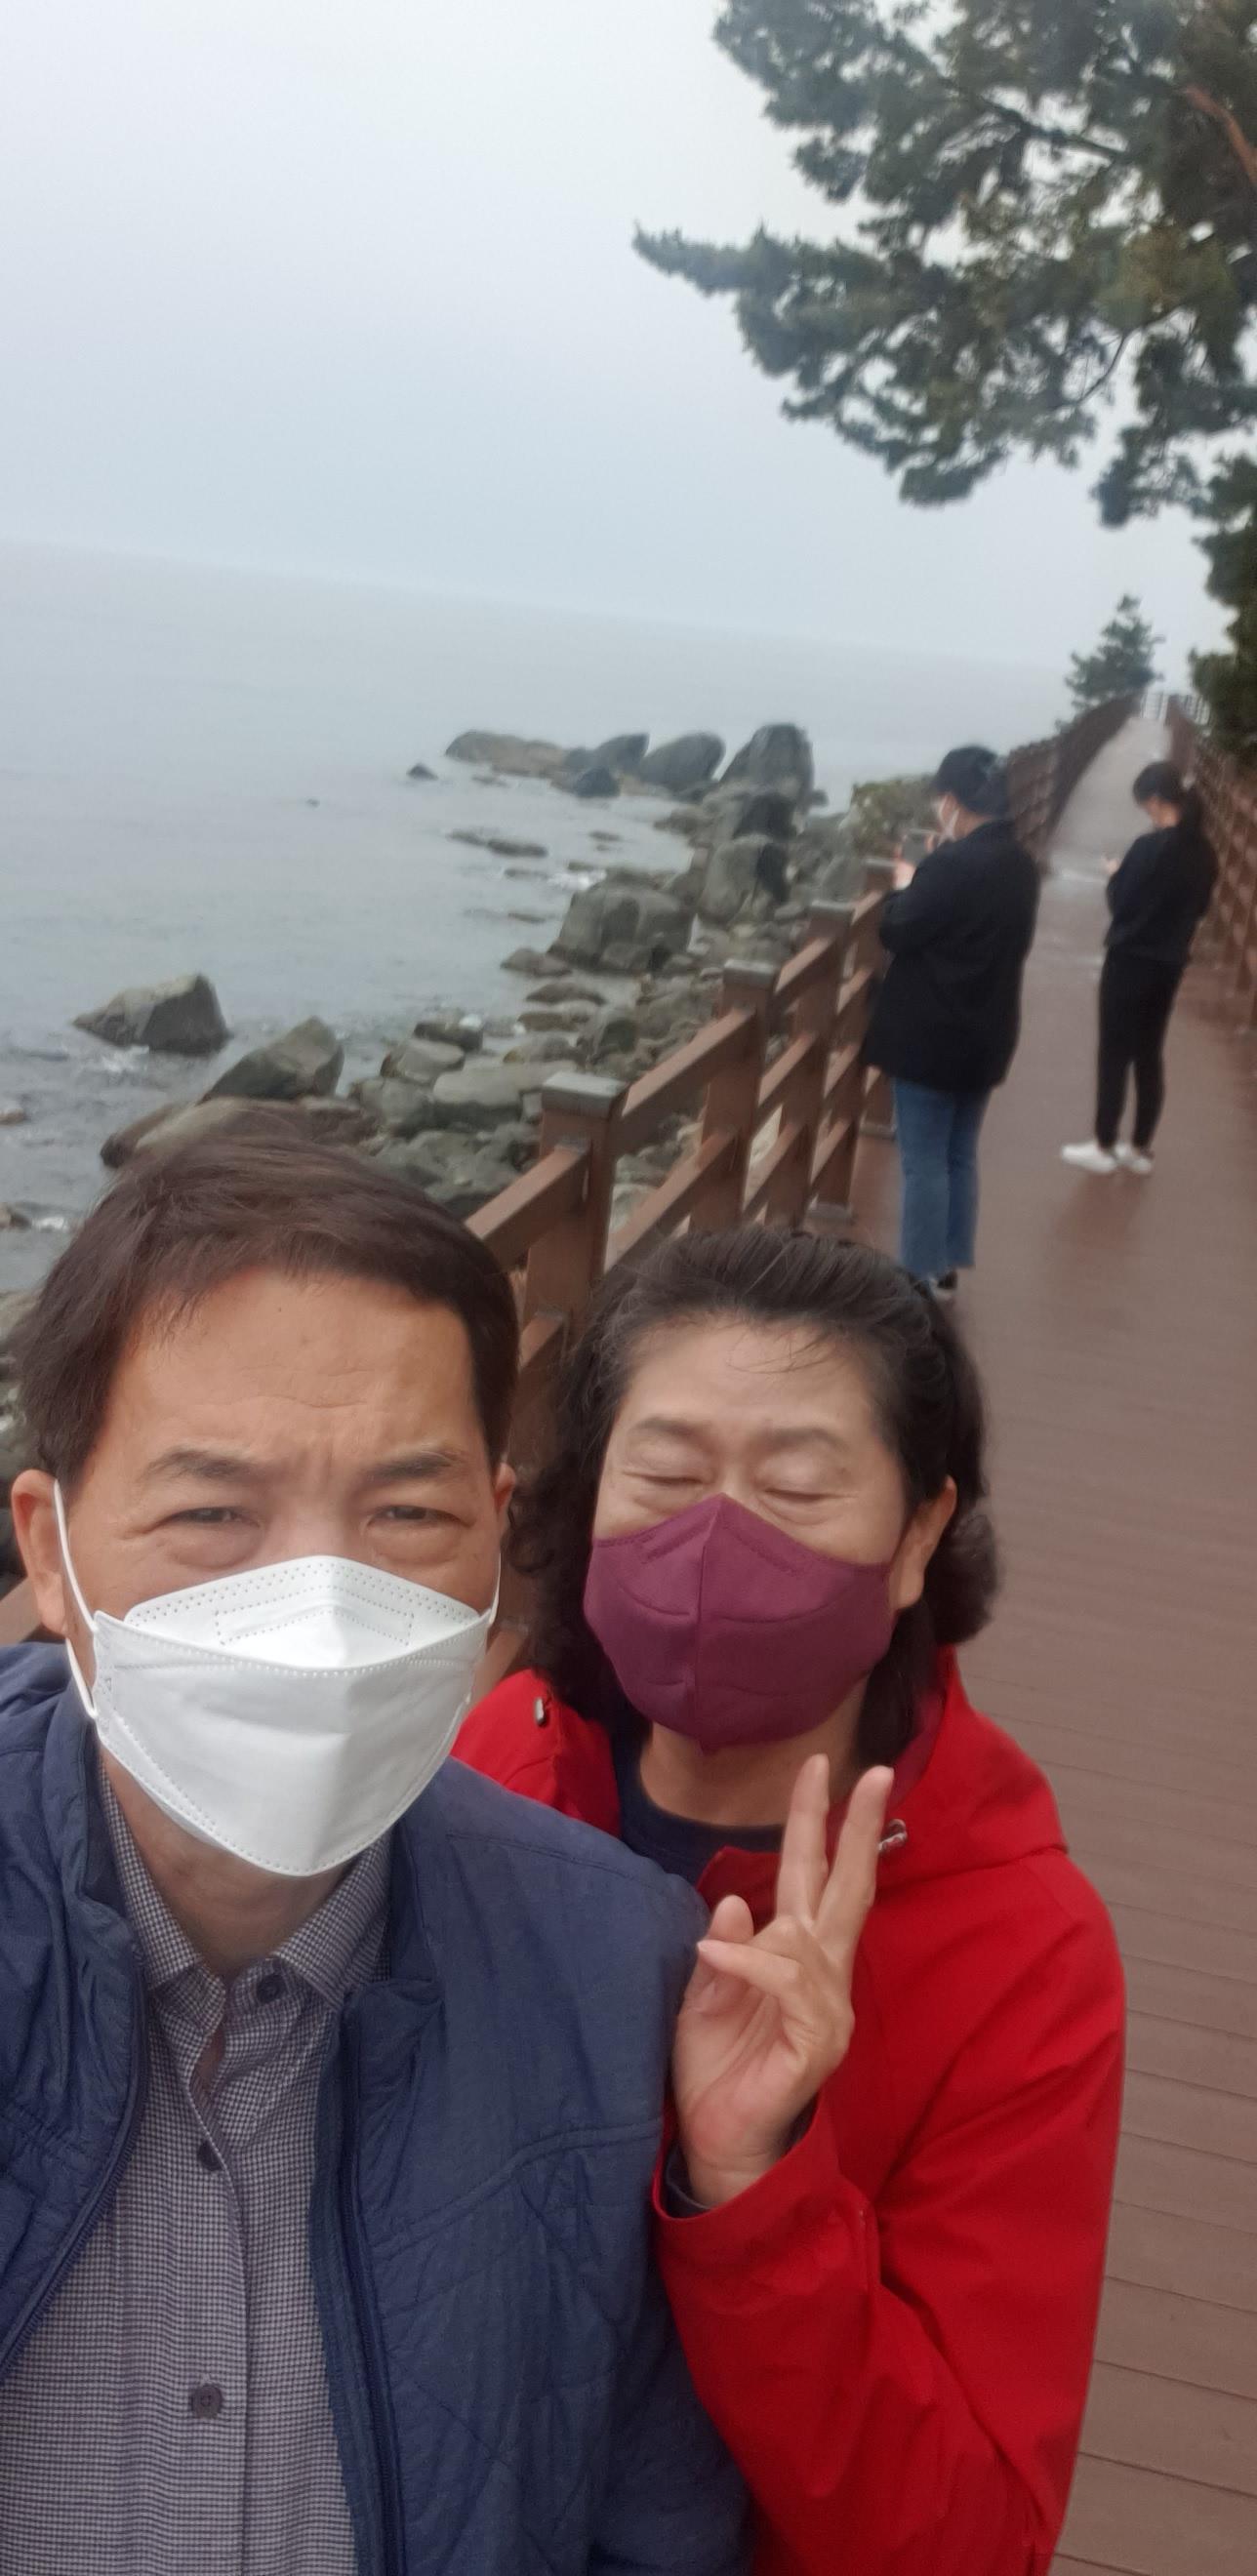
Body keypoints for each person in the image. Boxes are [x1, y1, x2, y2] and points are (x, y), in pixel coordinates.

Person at [0, 1128, 748, 2576]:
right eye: (213, 1512)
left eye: (407, 1513)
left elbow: (650, 2516)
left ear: (497, 1530)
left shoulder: (616, 1975)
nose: (324, 1605)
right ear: (50, 1550)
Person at [458, 1226, 1125, 2576]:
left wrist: (754, 2191)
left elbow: (971, 2541)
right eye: (665, 1476)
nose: (717, 1540)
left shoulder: (1021, 1955)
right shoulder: (499, 1764)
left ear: (918, 1533)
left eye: (799, 1486)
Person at [864, 745, 1039, 1297]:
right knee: (959, 1153)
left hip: (931, 1037)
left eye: (942, 797)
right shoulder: (1020, 865)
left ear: (954, 801)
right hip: (987, 1032)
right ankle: (945, 1265)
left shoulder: (950, 866)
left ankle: (918, 1276)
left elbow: (898, 929)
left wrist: (906, 883)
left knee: (923, 1162)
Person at [1063, 759, 1218, 1175]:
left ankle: (1103, 1144)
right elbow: (1200, 907)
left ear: (1155, 801)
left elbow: (1121, 903)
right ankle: (1140, 1148)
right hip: (1169, 963)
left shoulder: (1148, 848)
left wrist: (1115, 875)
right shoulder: (1204, 853)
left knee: (1114, 1052)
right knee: (1149, 1052)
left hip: (1129, 959)